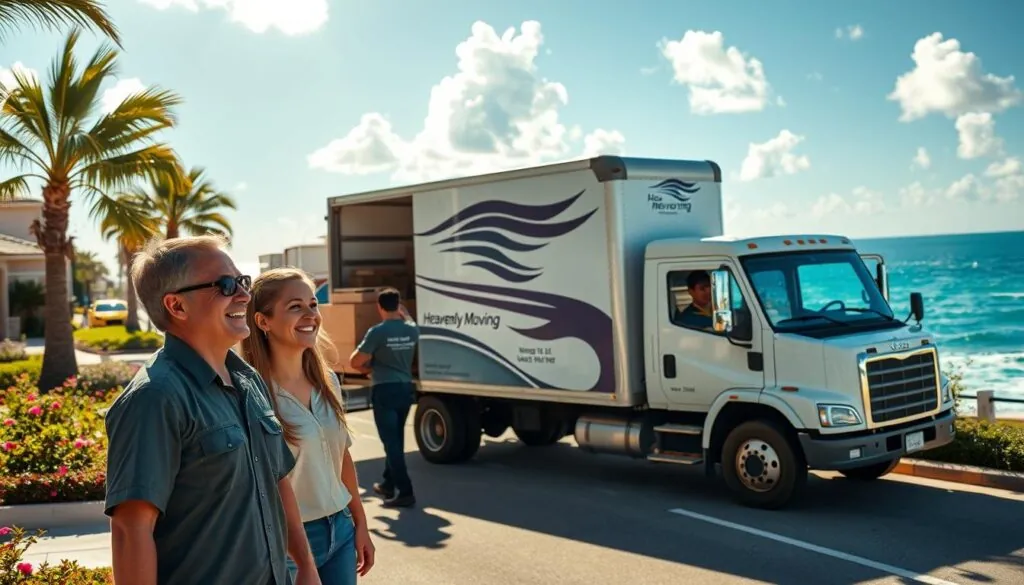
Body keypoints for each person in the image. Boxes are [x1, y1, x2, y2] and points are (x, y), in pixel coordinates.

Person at [103, 235, 321, 585]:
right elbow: (131, 530)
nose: (244, 295)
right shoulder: (154, 398)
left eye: (243, 281)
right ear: (177, 306)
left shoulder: (247, 380)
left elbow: (278, 482)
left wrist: (307, 567)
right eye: (225, 284)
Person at [241, 268, 376, 585]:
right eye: (295, 307)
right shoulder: (252, 394)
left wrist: (360, 522)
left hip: (341, 530)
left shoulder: (326, 380)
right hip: (287, 543)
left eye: (313, 305)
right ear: (263, 321)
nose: (310, 315)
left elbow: (342, 457)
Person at [349, 288, 419, 508]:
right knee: (395, 439)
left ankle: (405, 491)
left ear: (379, 307)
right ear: (398, 306)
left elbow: (355, 361)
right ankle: (388, 483)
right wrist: (405, 314)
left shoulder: (377, 332)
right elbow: (410, 321)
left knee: (391, 444)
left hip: (385, 390)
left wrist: (368, 369)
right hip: (406, 389)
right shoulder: (412, 330)